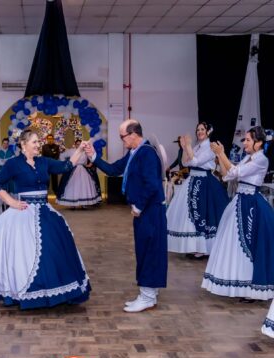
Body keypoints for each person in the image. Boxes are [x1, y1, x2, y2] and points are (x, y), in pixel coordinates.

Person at [0, 128, 90, 309]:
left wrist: (79, 150)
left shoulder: (43, 161)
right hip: (24, 211)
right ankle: (28, 290)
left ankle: (55, 290)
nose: (38, 145)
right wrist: (12, 202)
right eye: (34, 142)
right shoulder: (14, 163)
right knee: (26, 254)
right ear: (23, 145)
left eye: (38, 142)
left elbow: (65, 166)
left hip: (45, 210)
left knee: (54, 246)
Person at [84, 119, 167, 313]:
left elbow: (152, 185)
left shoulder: (146, 153)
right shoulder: (134, 152)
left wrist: (139, 206)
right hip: (147, 210)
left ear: (133, 134)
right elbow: (113, 170)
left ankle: (147, 297)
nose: (121, 140)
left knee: (149, 251)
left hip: (150, 210)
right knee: (146, 251)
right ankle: (149, 294)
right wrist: (93, 156)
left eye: (122, 137)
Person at [202, 126, 274, 300]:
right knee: (234, 245)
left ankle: (252, 288)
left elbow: (236, 172)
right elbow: (227, 175)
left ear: (258, 143)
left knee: (250, 246)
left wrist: (221, 154)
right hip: (240, 201)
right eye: (245, 139)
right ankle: (239, 284)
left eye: (248, 140)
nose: (245, 143)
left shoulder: (261, 160)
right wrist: (220, 156)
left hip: (252, 206)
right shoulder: (247, 158)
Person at [166, 122, 229, 258]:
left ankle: (203, 248)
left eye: (202, 129)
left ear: (208, 132)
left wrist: (188, 146)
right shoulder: (197, 147)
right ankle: (195, 245)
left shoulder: (210, 147)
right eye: (198, 129)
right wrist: (184, 147)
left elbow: (196, 162)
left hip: (205, 183)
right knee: (192, 214)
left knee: (203, 214)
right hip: (192, 180)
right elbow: (185, 162)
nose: (199, 131)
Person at [56, 139, 101, 208]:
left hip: (83, 169)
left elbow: (92, 158)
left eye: (80, 144)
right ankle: (72, 204)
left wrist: (90, 164)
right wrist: (65, 164)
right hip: (73, 170)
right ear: (75, 144)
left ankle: (84, 203)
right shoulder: (71, 151)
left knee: (84, 186)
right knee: (72, 185)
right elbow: (62, 155)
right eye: (77, 144)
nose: (79, 145)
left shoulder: (85, 151)